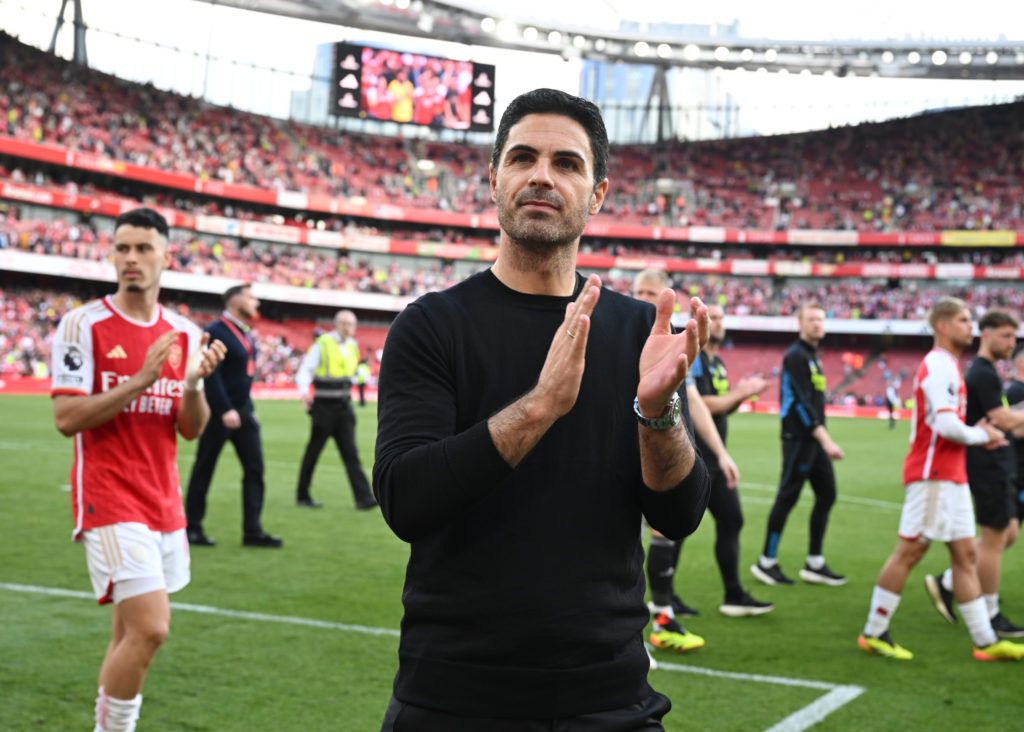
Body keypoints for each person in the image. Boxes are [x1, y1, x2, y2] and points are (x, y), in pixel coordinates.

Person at [373, 88, 710, 730]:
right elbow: (405, 500)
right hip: (454, 696)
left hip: (611, 697)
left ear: (598, 193)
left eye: (567, 163)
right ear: (494, 177)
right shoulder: (432, 325)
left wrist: (657, 414)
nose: (542, 176)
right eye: (523, 157)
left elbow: (679, 512)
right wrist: (540, 408)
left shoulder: (642, 331)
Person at [50, 207, 227, 732]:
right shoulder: (82, 325)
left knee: (126, 634)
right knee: (151, 629)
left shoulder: (184, 333)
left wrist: (192, 385)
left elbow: (191, 429)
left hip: (162, 503)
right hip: (108, 497)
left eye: (143, 248)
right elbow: (66, 418)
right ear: (111, 254)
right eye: (122, 248)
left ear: (165, 257)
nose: (131, 258)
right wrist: (142, 379)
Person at [857, 297, 1024, 661]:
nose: (971, 327)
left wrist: (978, 433)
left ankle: (985, 640)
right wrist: (985, 435)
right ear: (944, 326)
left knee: (964, 555)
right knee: (911, 551)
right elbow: (945, 426)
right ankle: (874, 631)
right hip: (933, 473)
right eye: (964, 320)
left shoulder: (949, 365)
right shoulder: (937, 365)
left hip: (952, 474)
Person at [632, 273, 768, 645]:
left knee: (664, 531)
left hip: (662, 449)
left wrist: (722, 453)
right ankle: (649, 621)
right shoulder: (621, 334)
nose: (644, 299)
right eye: (639, 292)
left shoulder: (674, 345)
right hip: (625, 452)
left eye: (652, 293)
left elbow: (700, 408)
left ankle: (661, 620)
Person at [924, 310, 1024, 636]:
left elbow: (1007, 422)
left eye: (1014, 336)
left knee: (1007, 533)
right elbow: (1004, 420)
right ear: (988, 334)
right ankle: (990, 612)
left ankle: (949, 581)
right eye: (1006, 336)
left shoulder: (987, 372)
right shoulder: (983, 373)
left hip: (997, 465)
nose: (1012, 343)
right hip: (988, 467)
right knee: (994, 540)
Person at [685, 301, 774, 616]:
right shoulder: (694, 360)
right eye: (714, 318)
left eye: (722, 318)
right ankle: (665, 599)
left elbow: (724, 405)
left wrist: (743, 394)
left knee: (729, 519)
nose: (719, 323)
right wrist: (741, 393)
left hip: (714, 455)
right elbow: (702, 405)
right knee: (678, 526)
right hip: (696, 454)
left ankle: (732, 595)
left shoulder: (718, 361)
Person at [751, 303, 847, 587]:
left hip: (813, 441)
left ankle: (814, 563)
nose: (817, 324)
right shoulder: (795, 356)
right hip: (799, 439)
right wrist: (825, 438)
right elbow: (802, 407)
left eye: (821, 319)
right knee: (787, 496)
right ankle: (766, 562)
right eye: (811, 320)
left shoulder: (813, 358)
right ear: (800, 324)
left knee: (827, 494)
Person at [184, 283, 282, 548]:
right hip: (219, 414)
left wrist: (249, 409)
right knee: (204, 467)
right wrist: (224, 408)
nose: (256, 303)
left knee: (255, 469)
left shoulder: (244, 333)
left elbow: (243, 377)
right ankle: (191, 527)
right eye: (251, 297)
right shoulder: (216, 331)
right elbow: (212, 374)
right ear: (235, 299)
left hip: (243, 412)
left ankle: (253, 530)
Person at [294, 309, 377, 509]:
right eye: (345, 324)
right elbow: (305, 370)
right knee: (313, 452)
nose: (348, 328)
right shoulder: (322, 344)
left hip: (344, 407)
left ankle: (363, 498)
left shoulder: (353, 346)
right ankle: (303, 495)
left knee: (351, 454)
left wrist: (363, 374)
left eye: (351, 324)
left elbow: (354, 374)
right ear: (336, 324)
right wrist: (304, 392)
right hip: (324, 407)